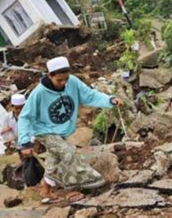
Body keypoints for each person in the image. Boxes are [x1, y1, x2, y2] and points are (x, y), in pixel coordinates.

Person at [18, 56, 123, 204]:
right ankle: (80, 186)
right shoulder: (39, 93)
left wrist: (109, 100)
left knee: (54, 159)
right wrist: (25, 142)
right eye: (59, 80)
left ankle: (45, 190)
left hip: (62, 130)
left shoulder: (72, 82)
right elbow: (25, 116)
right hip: (44, 130)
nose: (63, 83)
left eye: (65, 79)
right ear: (50, 76)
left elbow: (89, 95)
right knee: (69, 153)